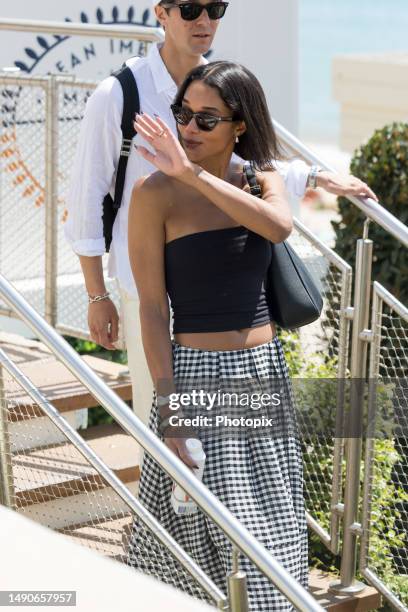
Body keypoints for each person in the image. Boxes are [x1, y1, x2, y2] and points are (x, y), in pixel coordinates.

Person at [64, 0, 378, 440]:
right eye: (191, 9)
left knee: (229, 440)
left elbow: (245, 163)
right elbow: (86, 197)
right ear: (161, 13)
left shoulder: (215, 83)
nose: (205, 21)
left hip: (221, 294)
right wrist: (97, 296)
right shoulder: (118, 94)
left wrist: (318, 175)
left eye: (216, 8)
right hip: (148, 289)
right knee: (162, 429)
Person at [125, 59, 311, 611]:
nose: (188, 129)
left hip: (260, 371)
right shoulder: (152, 194)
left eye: (207, 120)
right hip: (196, 377)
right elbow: (154, 311)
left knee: (268, 524)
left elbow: (277, 226)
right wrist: (170, 405)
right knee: (200, 536)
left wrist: (193, 174)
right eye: (184, 114)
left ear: (240, 126)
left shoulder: (259, 178)